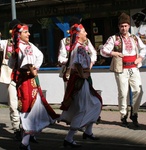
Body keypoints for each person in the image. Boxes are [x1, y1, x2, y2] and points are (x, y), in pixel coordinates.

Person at [11, 22, 60, 150]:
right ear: (19, 34)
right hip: (26, 81)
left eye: (28, 31)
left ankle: (26, 140)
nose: (29, 34)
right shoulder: (21, 46)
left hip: (29, 80)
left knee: (32, 107)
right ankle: (25, 141)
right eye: (26, 32)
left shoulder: (27, 45)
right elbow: (27, 61)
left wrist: (35, 68)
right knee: (28, 108)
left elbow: (39, 55)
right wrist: (32, 69)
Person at [59, 23, 102, 148]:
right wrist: (83, 75)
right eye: (84, 31)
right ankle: (69, 138)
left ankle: (88, 132)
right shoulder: (78, 47)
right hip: (80, 81)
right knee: (83, 108)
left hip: (83, 79)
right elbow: (77, 63)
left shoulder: (81, 46)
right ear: (78, 34)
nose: (86, 33)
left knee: (95, 103)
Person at [100, 12, 146, 127]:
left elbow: (144, 48)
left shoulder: (135, 38)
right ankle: (123, 115)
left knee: (138, 91)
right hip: (121, 69)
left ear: (129, 26)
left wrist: (140, 58)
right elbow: (103, 50)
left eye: (125, 26)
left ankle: (134, 113)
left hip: (134, 68)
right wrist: (113, 53)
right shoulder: (114, 38)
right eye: (121, 26)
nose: (124, 28)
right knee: (123, 93)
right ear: (119, 27)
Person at [58, 17, 97, 90]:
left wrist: (90, 64)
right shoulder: (64, 41)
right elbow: (61, 58)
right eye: (73, 27)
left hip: (84, 72)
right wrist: (71, 61)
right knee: (71, 94)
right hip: (70, 73)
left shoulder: (86, 41)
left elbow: (93, 53)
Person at [0, 19, 22, 141]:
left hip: (23, 77)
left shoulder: (26, 43)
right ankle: (17, 129)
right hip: (10, 78)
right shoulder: (6, 43)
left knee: (25, 103)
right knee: (13, 105)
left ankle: (26, 127)